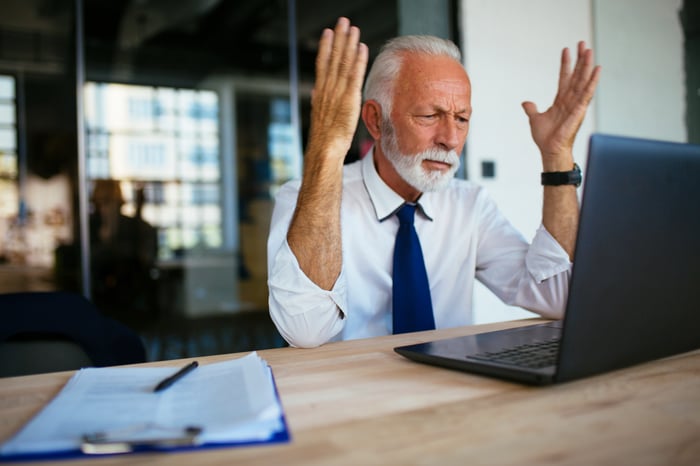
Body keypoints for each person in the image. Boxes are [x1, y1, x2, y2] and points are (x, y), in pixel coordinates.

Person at [267, 17, 601, 348]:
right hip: (348, 395)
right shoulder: (304, 199)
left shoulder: (470, 204)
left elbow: (560, 298)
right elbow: (304, 329)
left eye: (461, 118)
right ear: (375, 120)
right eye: (429, 116)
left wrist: (557, 155)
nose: (450, 139)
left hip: (449, 390)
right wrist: (327, 146)